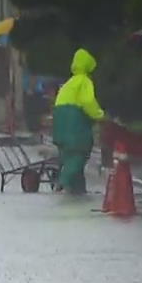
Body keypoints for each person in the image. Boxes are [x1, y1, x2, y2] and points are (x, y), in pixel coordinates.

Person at [52, 48, 106, 194]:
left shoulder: (69, 83)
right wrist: (100, 115)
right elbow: (88, 101)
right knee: (79, 155)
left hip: (60, 123)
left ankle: (78, 188)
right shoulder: (84, 81)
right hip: (74, 124)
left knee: (68, 155)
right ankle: (63, 181)